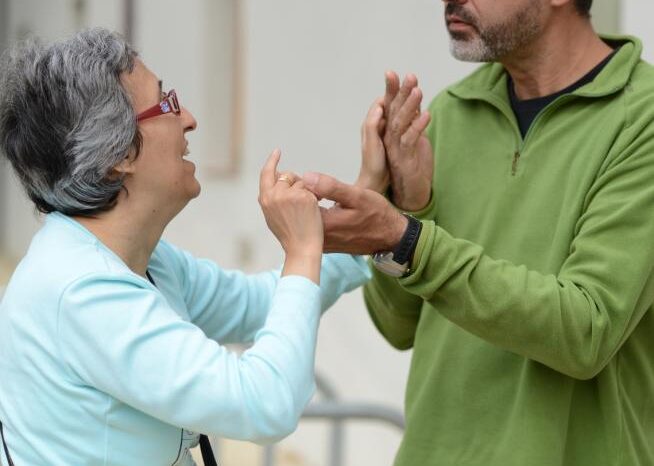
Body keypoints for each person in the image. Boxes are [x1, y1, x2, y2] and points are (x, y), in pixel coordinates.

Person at [301, 0, 654, 465]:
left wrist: (407, 239)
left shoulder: (641, 119)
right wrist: (411, 206)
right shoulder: (449, 113)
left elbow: (586, 330)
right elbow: (398, 325)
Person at [0, 28, 370, 466]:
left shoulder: (134, 259)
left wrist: (370, 212)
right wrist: (302, 250)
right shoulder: (80, 290)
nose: (189, 117)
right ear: (119, 154)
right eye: (167, 103)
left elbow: (255, 306)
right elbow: (264, 403)